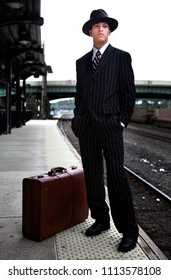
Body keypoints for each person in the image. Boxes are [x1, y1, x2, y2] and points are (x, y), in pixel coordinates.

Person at [71, 9, 139, 252]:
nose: (101, 29)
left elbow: (128, 95)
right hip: (87, 128)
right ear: (90, 31)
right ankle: (101, 218)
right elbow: (79, 96)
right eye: (96, 26)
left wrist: (120, 122)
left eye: (105, 26)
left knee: (117, 177)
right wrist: (77, 120)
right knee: (92, 174)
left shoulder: (121, 58)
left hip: (111, 126)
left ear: (109, 31)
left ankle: (129, 230)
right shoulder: (81, 63)